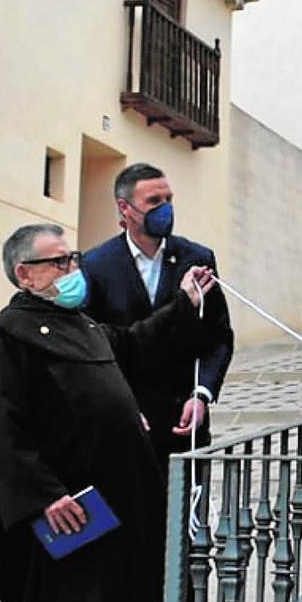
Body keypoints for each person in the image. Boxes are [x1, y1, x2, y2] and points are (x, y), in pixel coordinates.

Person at [0, 223, 215, 602]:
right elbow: (2, 428)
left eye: (73, 259)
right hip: (73, 506)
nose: (72, 271)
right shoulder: (11, 335)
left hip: (124, 496)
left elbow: (134, 345)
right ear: (25, 274)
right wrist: (43, 496)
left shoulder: (80, 324)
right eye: (59, 263)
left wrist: (184, 302)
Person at [81, 163, 234, 467]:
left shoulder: (197, 258)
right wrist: (116, 404)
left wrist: (201, 394)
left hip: (184, 419)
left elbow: (218, 336)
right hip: (125, 422)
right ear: (124, 208)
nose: (165, 209)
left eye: (169, 199)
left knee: (184, 497)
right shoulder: (96, 265)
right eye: (153, 201)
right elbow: (92, 346)